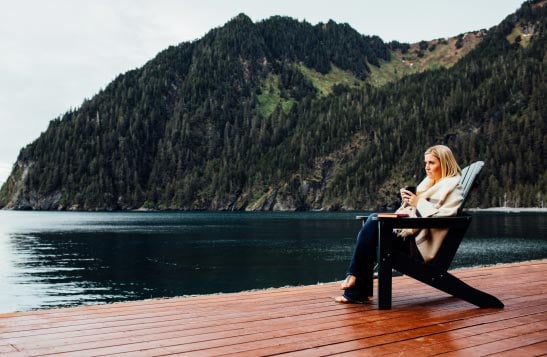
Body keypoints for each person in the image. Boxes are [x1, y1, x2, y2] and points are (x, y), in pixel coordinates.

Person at [335, 145, 464, 303]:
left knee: (373, 222)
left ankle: (354, 282)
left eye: (431, 163)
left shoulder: (453, 187)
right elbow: (418, 214)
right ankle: (355, 288)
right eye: (425, 163)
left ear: (444, 163)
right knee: (372, 226)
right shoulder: (429, 185)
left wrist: (417, 203)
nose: (427, 167)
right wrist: (408, 203)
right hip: (412, 237)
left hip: (419, 247)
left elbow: (445, 217)